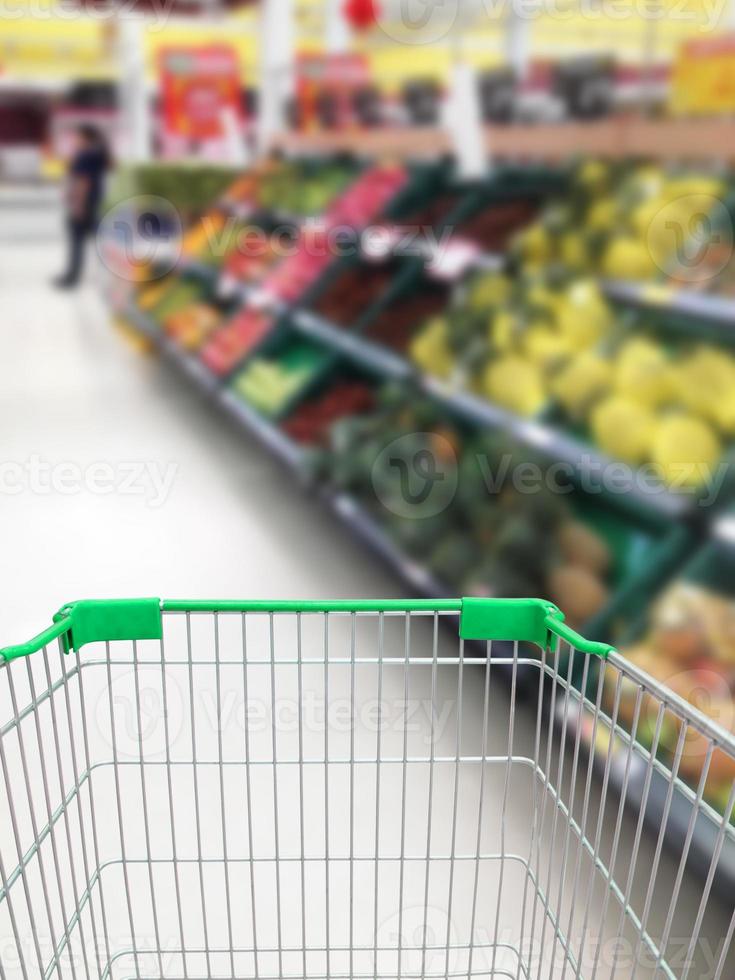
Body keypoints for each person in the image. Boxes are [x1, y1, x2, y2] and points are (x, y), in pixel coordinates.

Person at [54, 124, 110, 289]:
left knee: (76, 240)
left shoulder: (84, 156)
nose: (75, 140)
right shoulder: (98, 154)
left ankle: (72, 277)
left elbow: (83, 182)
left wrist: (78, 205)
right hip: (94, 202)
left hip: (83, 203)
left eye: (77, 137)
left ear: (86, 139)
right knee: (99, 239)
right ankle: (110, 276)